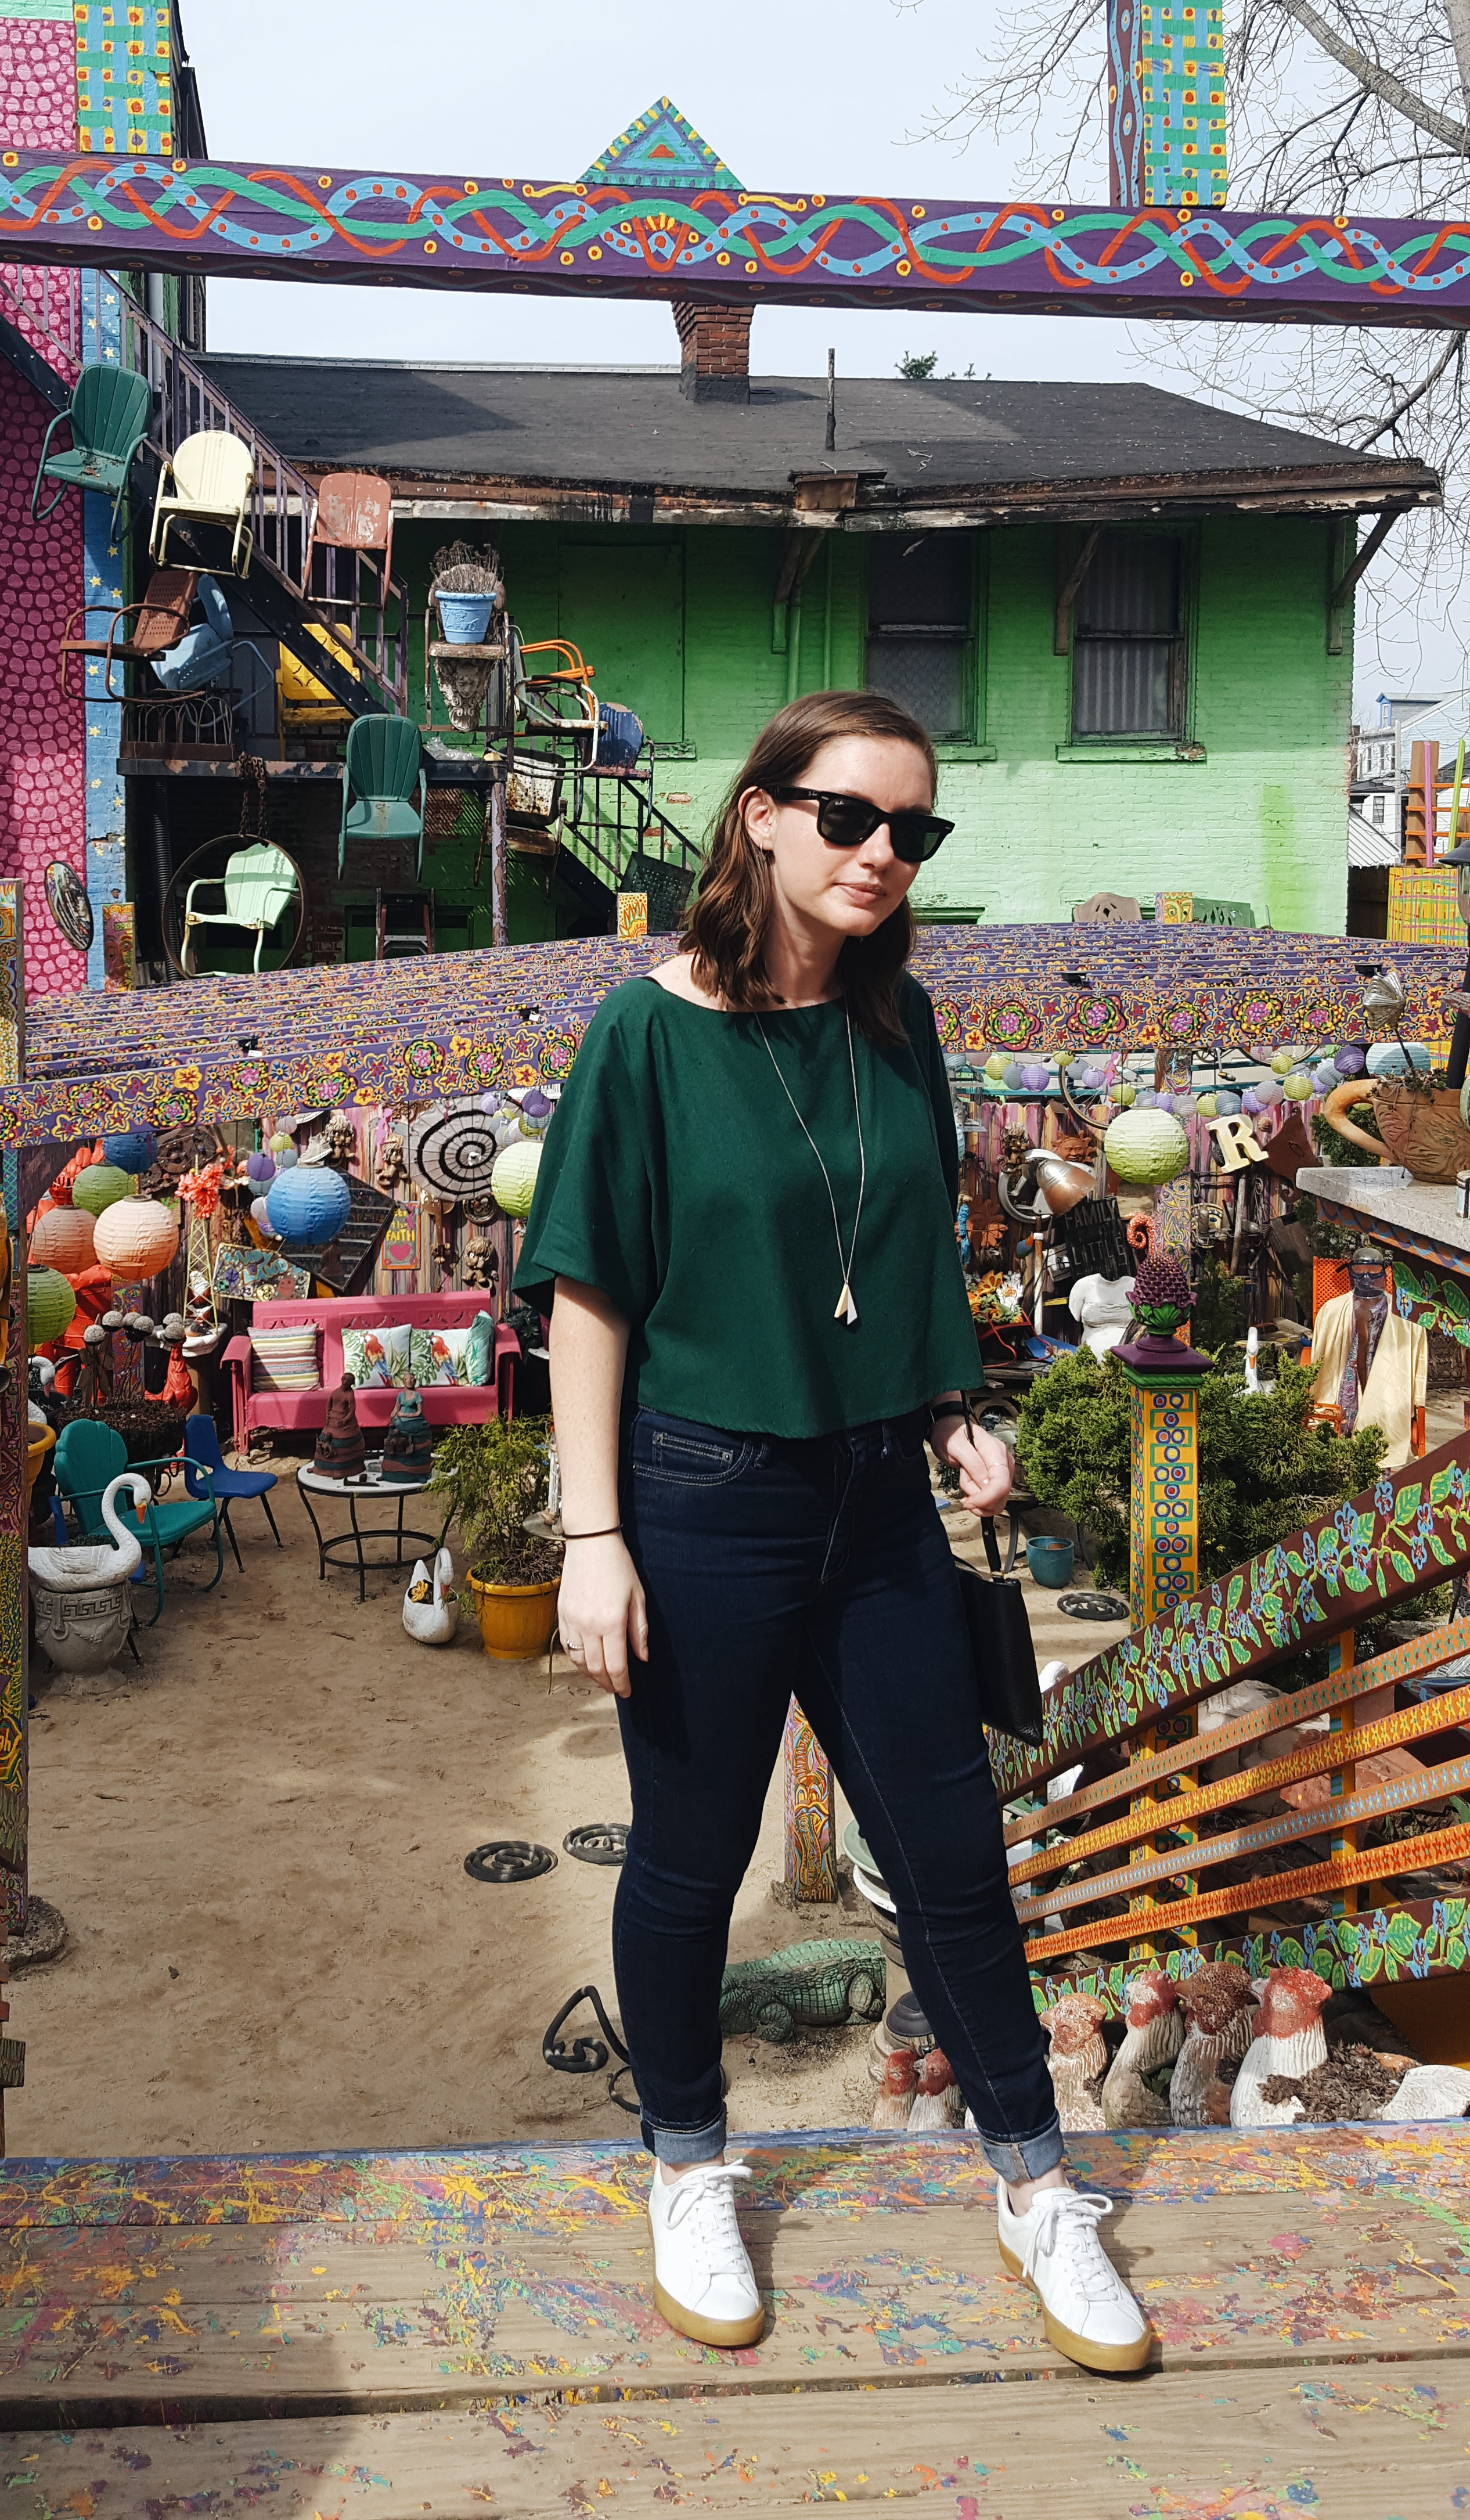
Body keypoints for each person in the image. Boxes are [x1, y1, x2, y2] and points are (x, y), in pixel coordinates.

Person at [514, 689, 1152, 2375]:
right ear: (762, 818)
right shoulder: (642, 1033)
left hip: (877, 1503)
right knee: (689, 1858)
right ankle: (685, 2163)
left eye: (913, 831)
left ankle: (1032, 2185)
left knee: (949, 1861)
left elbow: (907, 1253)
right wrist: (595, 1536)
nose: (882, 854)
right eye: (850, 817)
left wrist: (950, 1408)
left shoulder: (898, 1022)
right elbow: (587, 1294)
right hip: (703, 1498)